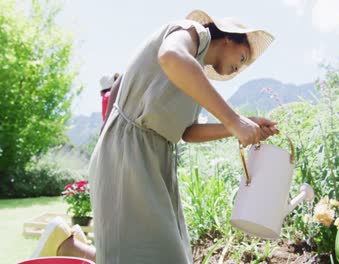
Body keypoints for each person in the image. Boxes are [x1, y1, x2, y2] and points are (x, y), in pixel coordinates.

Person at [32, 9, 277, 263]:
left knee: (159, 254)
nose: (241, 66)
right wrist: (234, 120)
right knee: (152, 255)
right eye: (243, 56)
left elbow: (187, 132)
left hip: (154, 160)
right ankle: (66, 247)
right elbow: (171, 57)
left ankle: (67, 247)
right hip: (127, 155)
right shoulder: (191, 32)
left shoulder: (195, 74)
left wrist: (239, 126)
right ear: (229, 38)